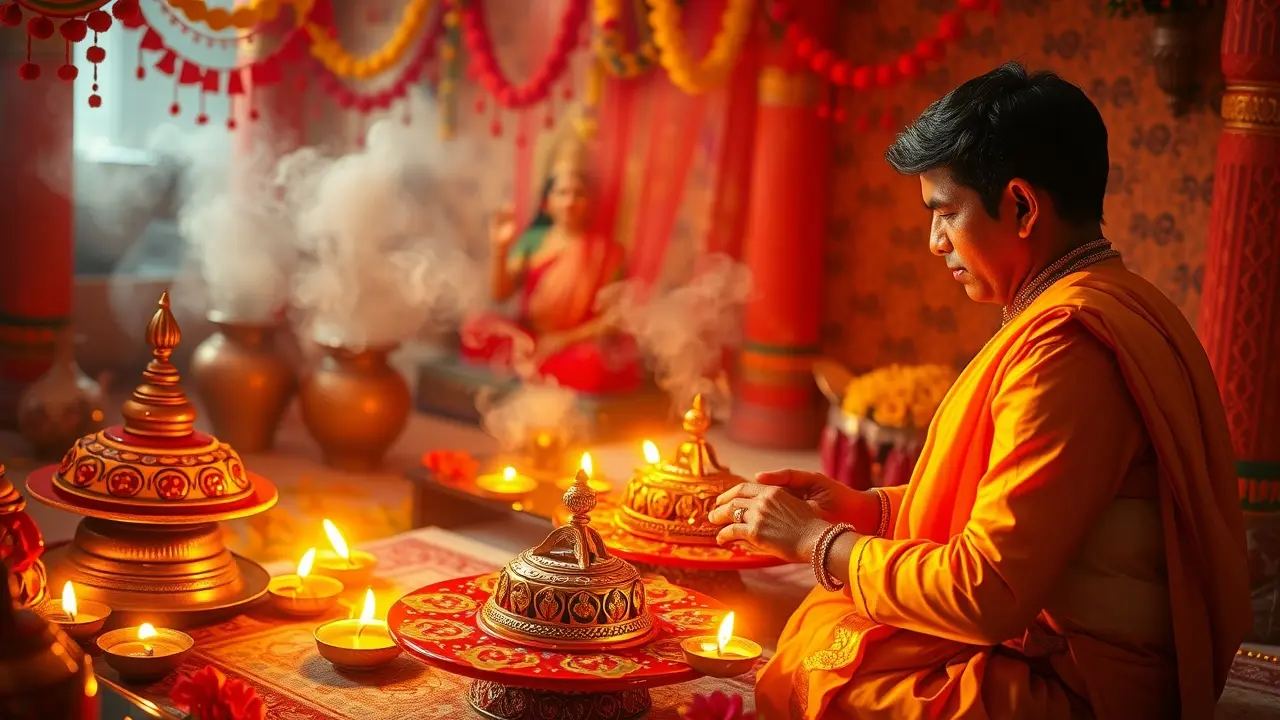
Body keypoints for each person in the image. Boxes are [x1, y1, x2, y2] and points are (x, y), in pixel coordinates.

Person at [709, 62, 1250, 719]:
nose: (935, 243)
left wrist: (813, 544)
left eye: (945, 213)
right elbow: (1034, 507)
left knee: (830, 663)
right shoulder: (1115, 301)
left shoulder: (1069, 347)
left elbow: (987, 592)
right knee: (839, 619)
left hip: (1083, 688)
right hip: (1067, 654)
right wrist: (867, 512)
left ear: (1020, 205)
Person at [460, 133, 642, 394]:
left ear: (590, 203)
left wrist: (562, 340)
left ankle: (538, 371)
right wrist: (499, 249)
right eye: (562, 193)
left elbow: (613, 318)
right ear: (547, 202)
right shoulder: (533, 240)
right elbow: (501, 295)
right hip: (529, 339)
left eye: (578, 194)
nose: (569, 202)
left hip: (573, 344)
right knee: (475, 327)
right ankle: (539, 369)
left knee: (594, 363)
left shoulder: (607, 252)